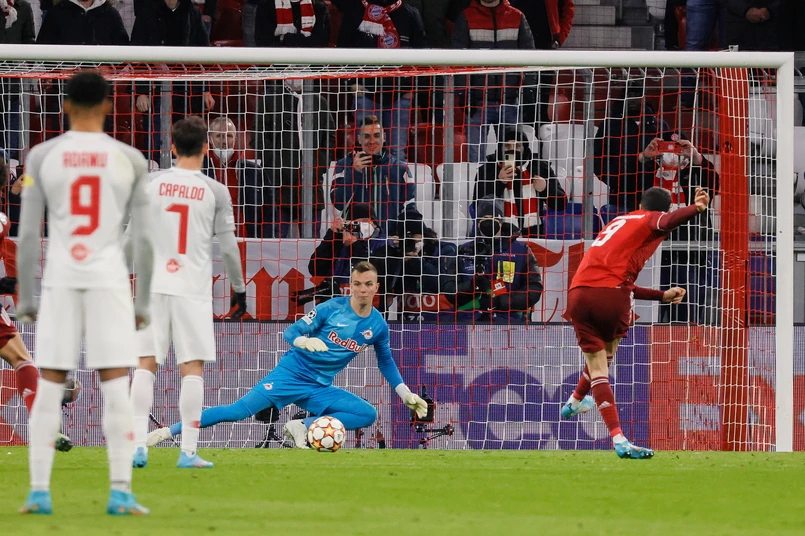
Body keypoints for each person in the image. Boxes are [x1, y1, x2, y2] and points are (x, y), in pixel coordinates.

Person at [16, 71, 153, 514]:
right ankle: (120, 491)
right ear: (110, 106)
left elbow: (28, 233)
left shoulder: (42, 156)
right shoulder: (130, 158)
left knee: (50, 383)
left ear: (66, 107)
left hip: (61, 280)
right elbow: (143, 237)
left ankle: (39, 492)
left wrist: (27, 298)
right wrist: (142, 302)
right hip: (108, 281)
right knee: (114, 384)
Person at [147, 261, 428, 449]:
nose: (362, 289)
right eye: (357, 284)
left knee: (366, 413)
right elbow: (291, 332)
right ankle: (167, 432)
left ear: (377, 287)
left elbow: (385, 361)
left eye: (368, 284)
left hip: (319, 387)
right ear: (350, 286)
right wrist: (304, 341)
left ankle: (301, 425)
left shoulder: (377, 325)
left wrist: (405, 394)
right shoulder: (331, 308)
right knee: (236, 411)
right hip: (290, 375)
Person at [130, 117, 247, 470]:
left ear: (172, 148)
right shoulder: (216, 190)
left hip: (152, 286)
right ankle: (188, 452)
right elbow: (229, 248)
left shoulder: (150, 183)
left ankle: (137, 446)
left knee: (145, 363)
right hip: (192, 288)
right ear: (207, 149)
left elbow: (128, 237)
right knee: (191, 367)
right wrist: (239, 289)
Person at [561, 186, 710, 459]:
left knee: (596, 361)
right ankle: (619, 440)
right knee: (605, 360)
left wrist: (661, 296)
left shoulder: (618, 222)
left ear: (640, 203)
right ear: (661, 209)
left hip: (578, 293)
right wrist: (695, 209)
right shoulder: (650, 219)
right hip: (611, 295)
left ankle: (575, 401)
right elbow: (667, 221)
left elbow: (620, 281)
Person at [451, 0, 535, 163]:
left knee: (512, 158)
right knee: (475, 158)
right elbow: (458, 60)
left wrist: (528, 89)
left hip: (510, 100)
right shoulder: (466, 17)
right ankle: (479, 181)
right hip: (476, 102)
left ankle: (509, 181)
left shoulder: (517, 17)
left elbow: (531, 57)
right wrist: (463, 93)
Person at [454, 196, 543, 323]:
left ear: (501, 221)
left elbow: (534, 289)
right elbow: (450, 292)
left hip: (509, 322)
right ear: (478, 223)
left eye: (493, 218)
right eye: (484, 219)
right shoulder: (464, 251)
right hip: (469, 322)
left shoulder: (521, 251)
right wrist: (472, 286)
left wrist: (501, 301)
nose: (489, 223)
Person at [331, 115, 415, 237]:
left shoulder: (400, 168)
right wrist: (355, 173)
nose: (371, 141)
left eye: (376, 135)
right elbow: (338, 204)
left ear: (384, 137)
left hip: (389, 240)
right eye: (366, 136)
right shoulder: (343, 165)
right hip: (354, 239)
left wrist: (403, 236)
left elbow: (409, 209)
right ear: (359, 139)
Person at [473, 127, 566, 237]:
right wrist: (499, 182)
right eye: (507, 146)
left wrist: (546, 188)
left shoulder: (540, 167)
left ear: (524, 148)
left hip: (534, 236)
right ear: (500, 148)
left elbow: (562, 204)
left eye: (517, 146)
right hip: (497, 236)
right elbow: (477, 206)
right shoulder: (487, 169)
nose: (512, 150)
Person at [202, 117, 271, 238]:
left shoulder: (254, 171)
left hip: (246, 240)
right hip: (208, 241)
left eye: (229, 136)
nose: (224, 141)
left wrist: (265, 241)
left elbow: (269, 211)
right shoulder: (198, 171)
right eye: (219, 136)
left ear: (235, 138)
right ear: (210, 138)